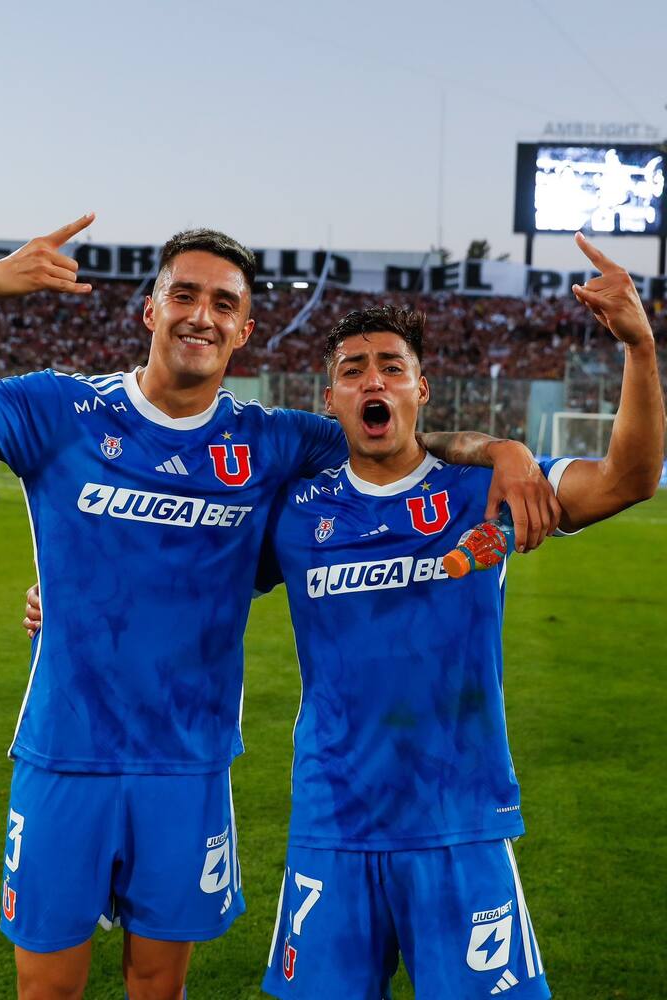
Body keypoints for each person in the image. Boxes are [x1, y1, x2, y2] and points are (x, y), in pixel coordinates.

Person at [0, 214, 559, 1000]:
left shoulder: (275, 440)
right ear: (150, 310)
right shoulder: (58, 409)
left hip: (189, 764)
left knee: (159, 988)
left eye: (224, 303)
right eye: (185, 294)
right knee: (46, 991)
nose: (203, 313)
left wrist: (505, 450)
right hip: (66, 751)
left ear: (244, 330)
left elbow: (400, 437)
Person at [255, 234, 664, 1000]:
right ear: (332, 399)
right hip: (332, 825)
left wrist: (640, 349)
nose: (372, 380)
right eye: (353, 370)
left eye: (392, 368)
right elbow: (183, 576)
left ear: (421, 391)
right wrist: (64, 605)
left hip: (461, 823)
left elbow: (629, 479)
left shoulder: (488, 493)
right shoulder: (294, 511)